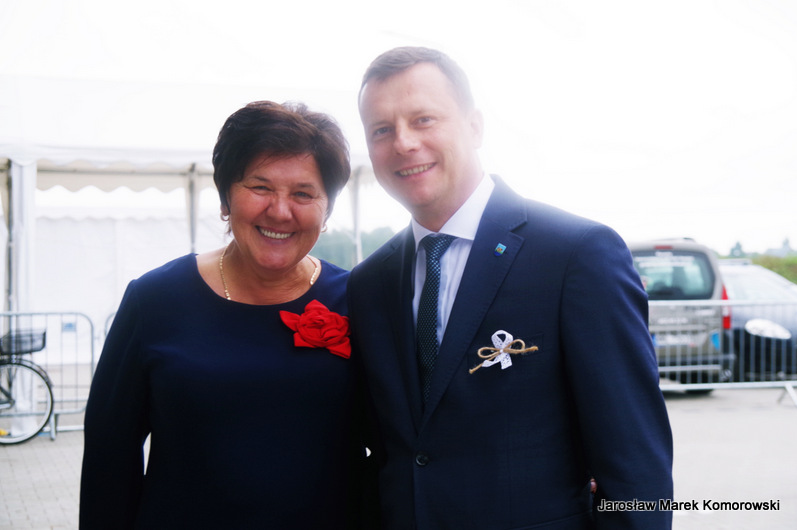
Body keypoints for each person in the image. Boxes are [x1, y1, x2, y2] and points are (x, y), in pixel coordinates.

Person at [348, 46, 673, 528]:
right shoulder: (368, 283)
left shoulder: (575, 255)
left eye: (423, 119)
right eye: (381, 130)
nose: (404, 142)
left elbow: (636, 465)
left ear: (474, 126)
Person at [80, 101, 370, 529]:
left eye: (303, 193)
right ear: (224, 198)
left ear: (326, 210)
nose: (280, 211)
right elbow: (109, 459)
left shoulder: (360, 301)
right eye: (260, 187)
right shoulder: (154, 300)